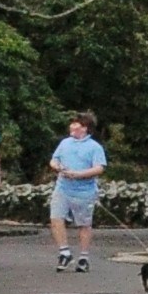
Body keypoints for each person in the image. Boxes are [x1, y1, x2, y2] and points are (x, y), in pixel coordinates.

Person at [46, 113, 110, 273]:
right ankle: (64, 253)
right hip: (62, 187)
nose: (72, 126)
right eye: (72, 123)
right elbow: (54, 159)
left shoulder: (95, 147)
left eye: (76, 124)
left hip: (84, 191)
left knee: (84, 224)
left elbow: (99, 168)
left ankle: (83, 257)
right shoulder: (65, 143)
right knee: (56, 218)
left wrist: (79, 174)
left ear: (85, 128)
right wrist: (57, 167)